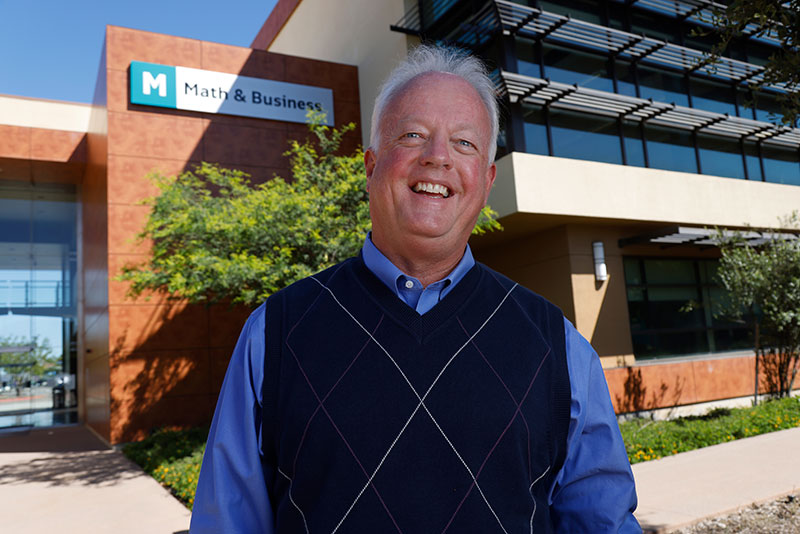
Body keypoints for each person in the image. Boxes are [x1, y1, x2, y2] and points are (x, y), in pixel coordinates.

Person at [190, 45, 641, 533]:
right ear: (370, 166)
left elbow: (603, 523)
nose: (438, 157)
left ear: (486, 183)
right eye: (413, 135)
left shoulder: (559, 346)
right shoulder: (272, 335)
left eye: (465, 143)